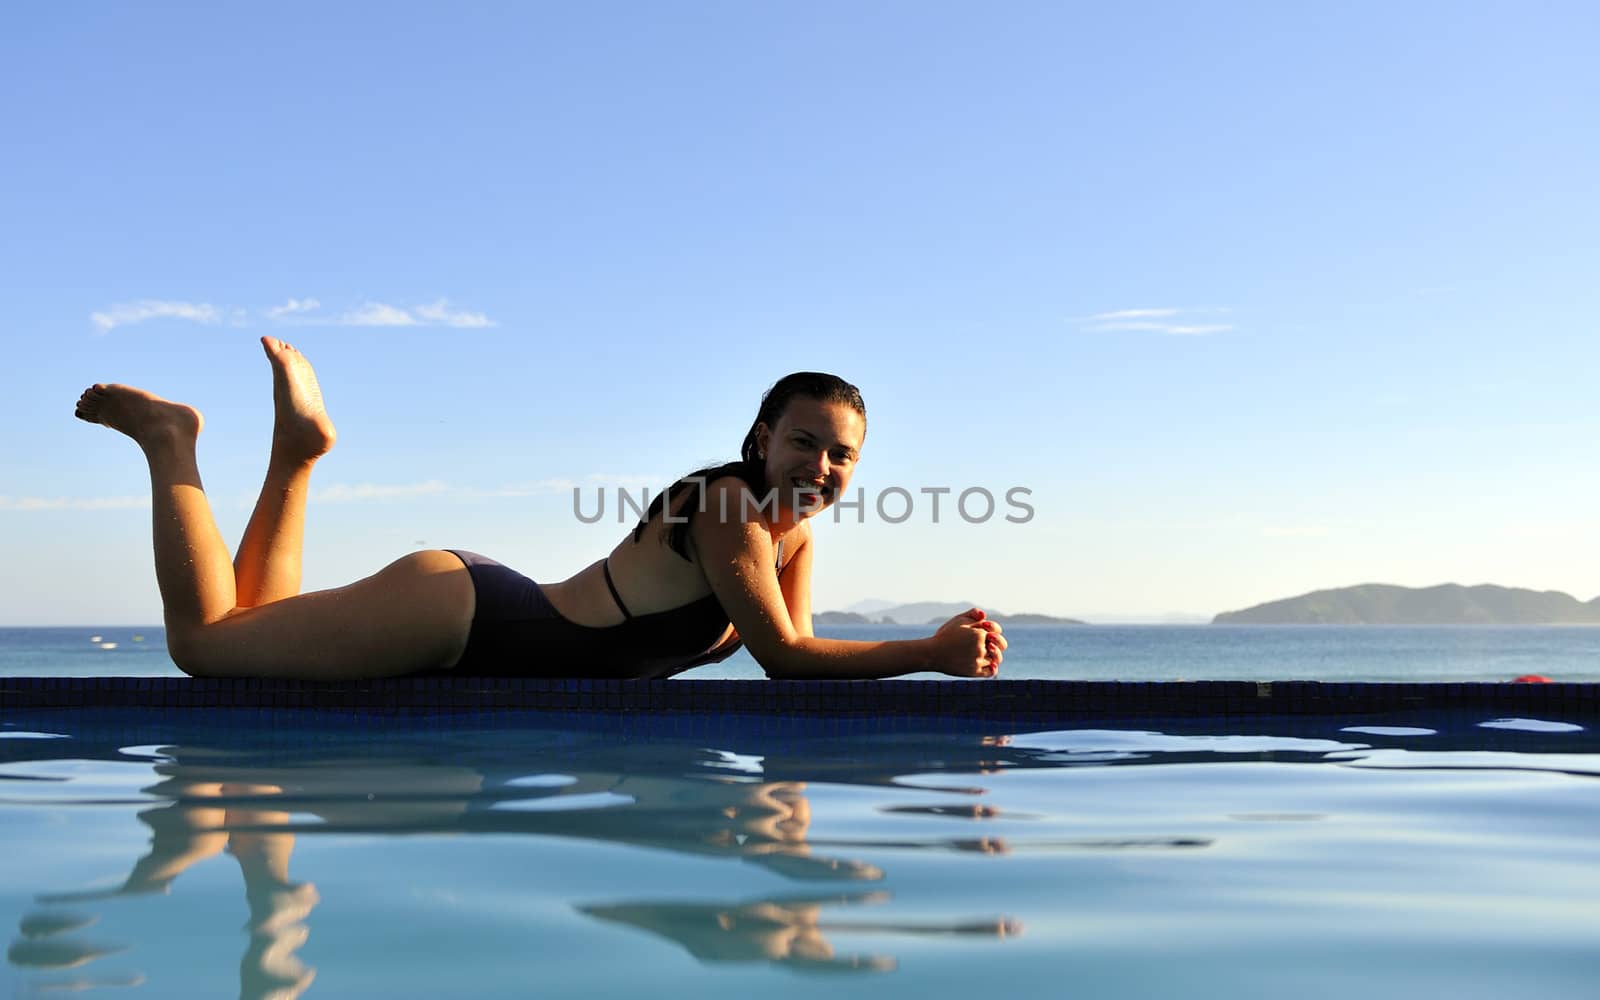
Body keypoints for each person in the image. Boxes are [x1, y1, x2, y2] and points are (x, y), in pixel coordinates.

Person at [73, 338, 1006, 680]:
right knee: (205, 648)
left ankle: (296, 457)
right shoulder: (728, 505)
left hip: (479, 611)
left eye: (844, 454)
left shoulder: (787, 533)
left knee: (255, 629)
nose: (824, 464)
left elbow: (791, 662)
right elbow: (786, 656)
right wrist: (927, 652)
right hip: (471, 616)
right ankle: (171, 443)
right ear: (761, 439)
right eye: (805, 441)